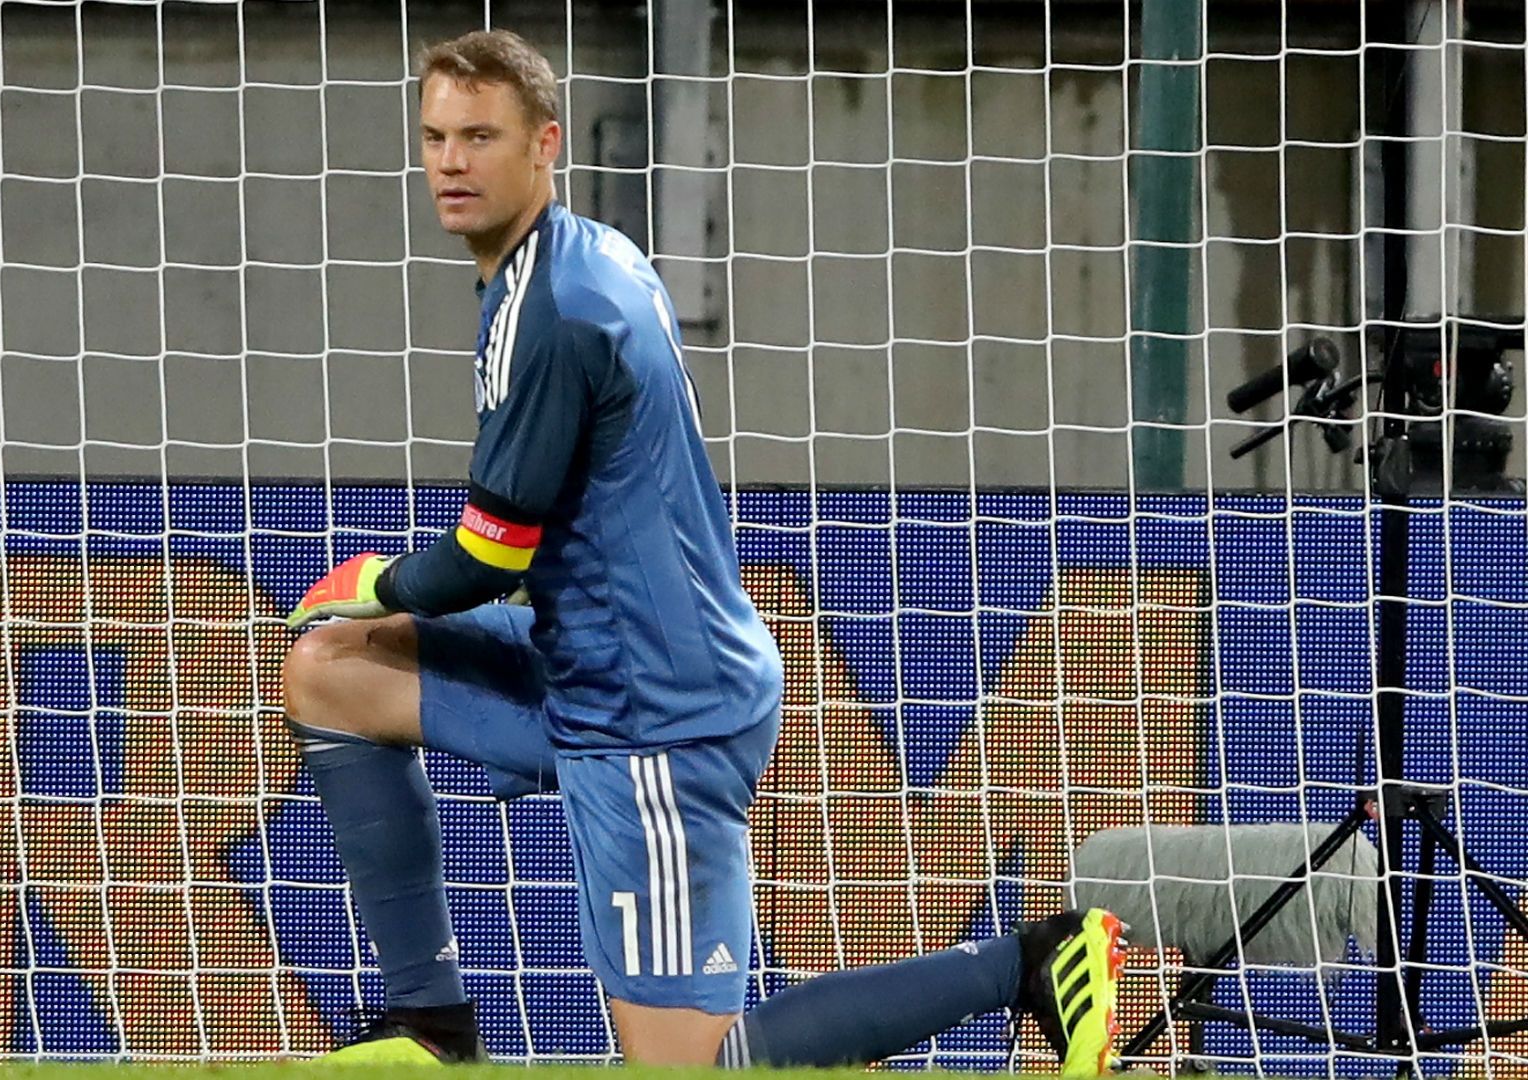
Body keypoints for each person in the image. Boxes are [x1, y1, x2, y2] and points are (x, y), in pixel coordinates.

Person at [280, 27, 1126, 1075]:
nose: (451, 162)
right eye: (436, 137)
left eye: (480, 137)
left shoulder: (557, 312)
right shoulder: (587, 257)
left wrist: (370, 581)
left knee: (694, 1069)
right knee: (331, 675)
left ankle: (1033, 961)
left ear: (546, 144)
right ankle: (428, 1023)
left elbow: (484, 559)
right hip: (589, 661)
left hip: (652, 713)